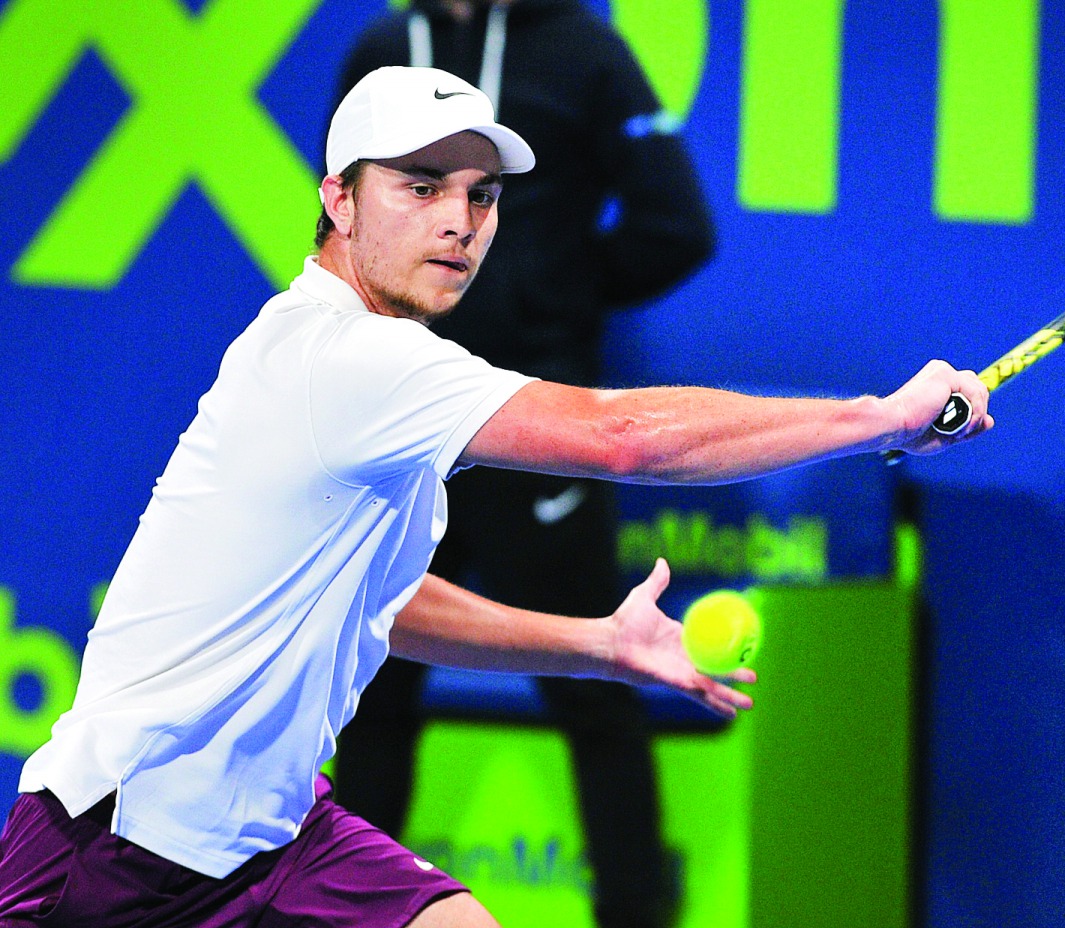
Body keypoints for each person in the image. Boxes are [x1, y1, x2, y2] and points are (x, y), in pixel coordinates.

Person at [0, 66, 990, 928]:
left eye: (480, 195)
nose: (459, 220)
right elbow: (625, 439)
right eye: (420, 186)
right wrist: (878, 417)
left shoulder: (366, 373)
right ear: (338, 200)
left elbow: (383, 605)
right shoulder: (346, 358)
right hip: (116, 847)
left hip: (274, 836)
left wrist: (597, 644)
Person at [330, 4, 716, 925]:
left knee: (599, 691)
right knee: (369, 696)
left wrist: (553, 298)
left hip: (532, 427)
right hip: (400, 424)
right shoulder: (381, 52)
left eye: (478, 193)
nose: (457, 219)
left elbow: (678, 223)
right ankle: (341, 915)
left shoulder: (584, 51)